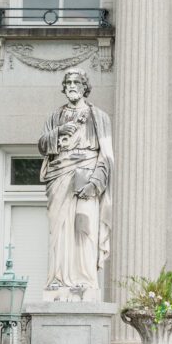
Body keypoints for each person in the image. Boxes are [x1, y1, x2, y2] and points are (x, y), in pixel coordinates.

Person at [38, 68, 113, 295]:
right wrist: (59, 132)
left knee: (85, 227)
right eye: (68, 82)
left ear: (84, 87)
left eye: (77, 82)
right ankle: (58, 278)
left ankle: (84, 279)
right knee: (59, 229)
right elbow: (42, 145)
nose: (72, 85)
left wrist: (95, 183)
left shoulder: (98, 117)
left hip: (87, 176)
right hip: (60, 175)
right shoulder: (55, 116)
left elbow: (106, 156)